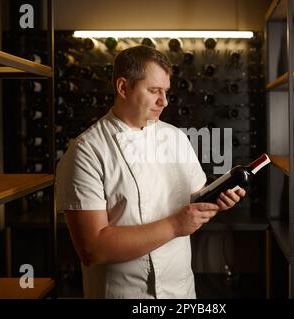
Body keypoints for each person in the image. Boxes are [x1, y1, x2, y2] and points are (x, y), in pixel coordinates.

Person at [55, 45, 246, 299]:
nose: (164, 101)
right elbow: (93, 248)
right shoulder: (87, 151)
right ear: (123, 88)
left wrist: (217, 198)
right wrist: (175, 225)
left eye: (165, 91)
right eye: (154, 91)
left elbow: (195, 198)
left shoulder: (176, 138)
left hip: (180, 292)